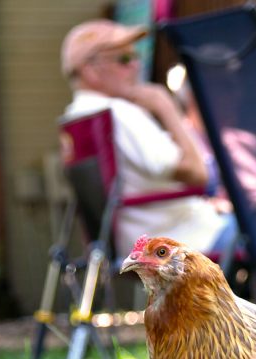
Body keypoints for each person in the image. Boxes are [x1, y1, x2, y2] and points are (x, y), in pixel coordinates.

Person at [59, 20, 235, 258]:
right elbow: (199, 175)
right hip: (189, 239)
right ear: (91, 70)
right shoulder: (118, 112)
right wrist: (166, 108)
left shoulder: (76, 118)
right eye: (123, 59)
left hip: (135, 242)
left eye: (137, 56)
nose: (136, 65)